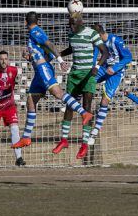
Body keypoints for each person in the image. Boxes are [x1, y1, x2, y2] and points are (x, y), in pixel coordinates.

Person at [12, 11, 93, 149]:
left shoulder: (36, 32)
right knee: (31, 100)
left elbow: (50, 45)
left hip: (43, 69)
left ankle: (84, 113)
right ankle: (26, 137)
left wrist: (60, 60)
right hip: (39, 72)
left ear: (25, 22)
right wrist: (30, 57)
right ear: (38, 21)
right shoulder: (34, 35)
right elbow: (46, 53)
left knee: (58, 93)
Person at [53, 15, 108, 160]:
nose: (71, 27)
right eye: (69, 25)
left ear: (80, 22)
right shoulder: (71, 34)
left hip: (88, 75)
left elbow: (105, 52)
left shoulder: (92, 33)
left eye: (73, 24)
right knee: (69, 106)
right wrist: (58, 54)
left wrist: (97, 66)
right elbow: (72, 48)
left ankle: (84, 144)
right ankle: (64, 140)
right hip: (74, 74)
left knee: (87, 107)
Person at [86, 23, 132, 146]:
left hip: (116, 73)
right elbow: (95, 54)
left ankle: (94, 133)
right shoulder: (98, 42)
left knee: (104, 101)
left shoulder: (116, 40)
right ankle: (75, 100)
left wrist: (116, 67)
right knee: (88, 79)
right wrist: (93, 67)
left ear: (100, 35)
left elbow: (128, 57)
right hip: (104, 68)